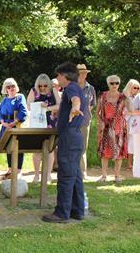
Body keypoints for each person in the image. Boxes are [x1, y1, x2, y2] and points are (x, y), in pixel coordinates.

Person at [42, 62, 86, 223]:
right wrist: (60, 113)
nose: (57, 79)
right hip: (75, 136)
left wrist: (75, 108)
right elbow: (70, 103)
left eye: (58, 76)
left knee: (66, 175)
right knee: (75, 175)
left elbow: (75, 100)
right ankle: (77, 210)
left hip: (69, 137)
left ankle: (61, 213)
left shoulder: (71, 88)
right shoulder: (75, 88)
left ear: (65, 76)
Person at [26, 74, 60, 183]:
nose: (42, 88)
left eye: (45, 85)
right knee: (37, 151)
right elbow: (28, 105)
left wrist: (48, 108)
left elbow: (60, 105)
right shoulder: (33, 91)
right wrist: (38, 105)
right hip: (37, 124)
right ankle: (36, 175)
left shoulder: (53, 91)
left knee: (50, 150)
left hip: (50, 124)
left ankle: (48, 176)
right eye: (40, 86)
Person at [97, 75, 129, 183]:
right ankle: (104, 176)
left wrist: (128, 97)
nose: (114, 85)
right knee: (104, 152)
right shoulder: (103, 95)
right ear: (108, 84)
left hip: (119, 127)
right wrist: (101, 122)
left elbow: (131, 110)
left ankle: (117, 176)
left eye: (117, 83)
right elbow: (98, 112)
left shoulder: (123, 97)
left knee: (118, 152)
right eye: (112, 83)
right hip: (106, 127)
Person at [0, 78, 27, 179]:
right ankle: (10, 169)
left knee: (19, 148)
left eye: (13, 86)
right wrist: (3, 123)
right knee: (8, 148)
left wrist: (13, 123)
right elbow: (0, 114)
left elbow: (23, 112)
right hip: (5, 127)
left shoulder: (20, 97)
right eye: (8, 87)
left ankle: (18, 171)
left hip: (16, 126)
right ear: (5, 89)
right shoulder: (4, 100)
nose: (11, 88)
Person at [77, 64, 96, 178]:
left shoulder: (91, 88)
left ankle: (83, 172)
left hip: (84, 121)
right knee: (72, 147)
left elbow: (92, 105)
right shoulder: (71, 87)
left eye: (84, 73)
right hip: (71, 122)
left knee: (83, 147)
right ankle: (73, 172)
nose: (82, 75)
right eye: (79, 73)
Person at [123, 79, 140, 170]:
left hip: (139, 122)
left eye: (138, 88)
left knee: (138, 142)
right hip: (129, 122)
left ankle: (136, 163)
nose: (137, 89)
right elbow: (126, 112)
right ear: (130, 87)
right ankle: (129, 163)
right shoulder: (125, 98)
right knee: (131, 142)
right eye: (135, 87)